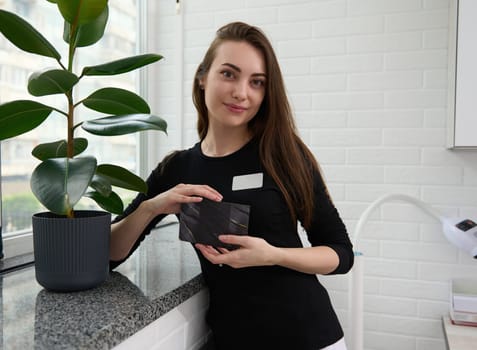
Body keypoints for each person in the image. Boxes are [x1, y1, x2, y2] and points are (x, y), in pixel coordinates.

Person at [109, 21, 354, 350]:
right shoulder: (177, 168)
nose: (242, 92)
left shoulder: (283, 155)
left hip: (308, 337)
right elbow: (111, 254)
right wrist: (152, 207)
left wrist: (273, 255)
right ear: (202, 76)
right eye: (229, 74)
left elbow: (340, 254)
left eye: (257, 82)